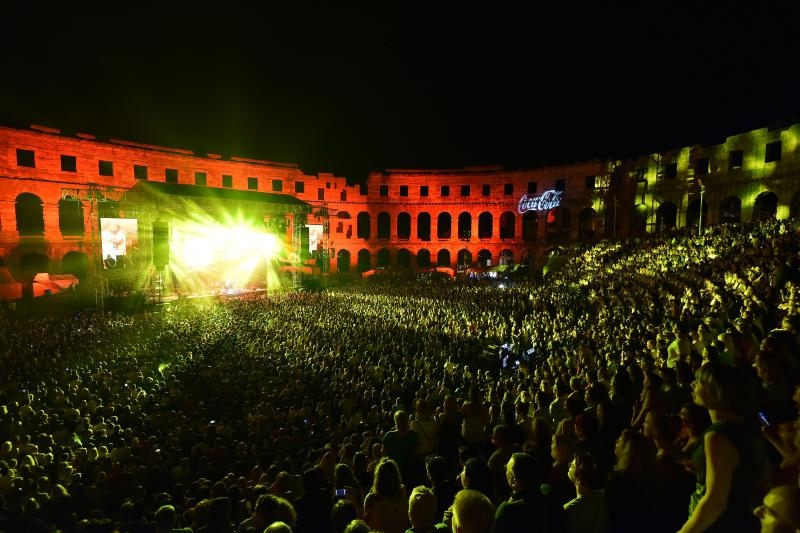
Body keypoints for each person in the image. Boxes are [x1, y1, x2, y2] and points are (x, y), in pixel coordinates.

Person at [677, 362, 769, 533]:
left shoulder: (718, 435)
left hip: (719, 524)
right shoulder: (745, 426)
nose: (692, 384)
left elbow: (715, 501)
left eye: (698, 381)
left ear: (716, 390)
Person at [494, 452, 564, 533]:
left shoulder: (507, 511)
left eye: (507, 469)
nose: (506, 471)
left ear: (514, 481)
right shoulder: (549, 494)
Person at [363, 458, 408, 533]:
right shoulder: (402, 491)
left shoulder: (371, 498)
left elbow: (367, 522)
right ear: (396, 475)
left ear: (378, 477)